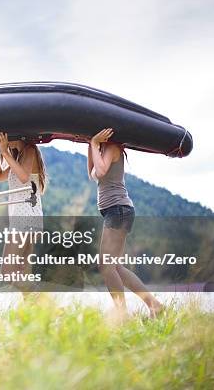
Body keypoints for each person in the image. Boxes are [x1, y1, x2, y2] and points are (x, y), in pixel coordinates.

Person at [88, 128, 163, 317]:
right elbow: (93, 173)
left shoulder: (113, 147)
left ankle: (121, 314)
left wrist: (95, 144)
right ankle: (154, 305)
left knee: (105, 265)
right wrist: (91, 146)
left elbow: (102, 170)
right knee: (115, 267)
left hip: (118, 210)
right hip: (116, 211)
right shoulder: (102, 150)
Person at [0, 132, 46, 293]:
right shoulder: (18, 157)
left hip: (26, 218)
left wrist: (5, 152)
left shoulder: (29, 150)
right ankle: (36, 314)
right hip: (27, 218)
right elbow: (0, 176)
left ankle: (42, 299)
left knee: (8, 273)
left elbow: (23, 177)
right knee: (22, 271)